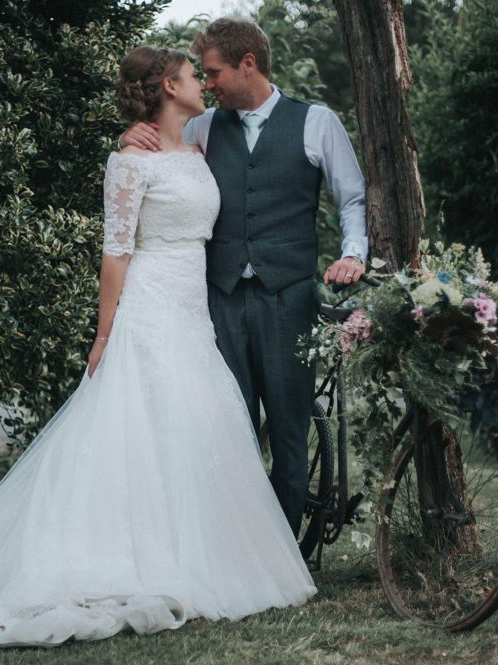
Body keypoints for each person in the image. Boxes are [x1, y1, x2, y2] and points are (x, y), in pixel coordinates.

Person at [0, 46, 316, 648]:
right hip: (148, 306)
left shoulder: (197, 143)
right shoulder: (130, 161)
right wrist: (105, 333)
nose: (203, 83)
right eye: (195, 76)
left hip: (194, 312)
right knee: (138, 432)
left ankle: (197, 557)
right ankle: (128, 560)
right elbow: (116, 252)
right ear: (170, 85)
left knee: (191, 433)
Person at [120, 18, 368, 537]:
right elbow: (155, 161)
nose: (207, 85)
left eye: (214, 74)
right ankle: (230, 546)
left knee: (287, 427)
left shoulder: (316, 121)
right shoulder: (204, 127)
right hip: (220, 298)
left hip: (289, 296)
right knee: (227, 426)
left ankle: (281, 551)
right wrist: (131, 133)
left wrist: (354, 253)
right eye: (203, 77)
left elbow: (351, 198)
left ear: (247, 64)